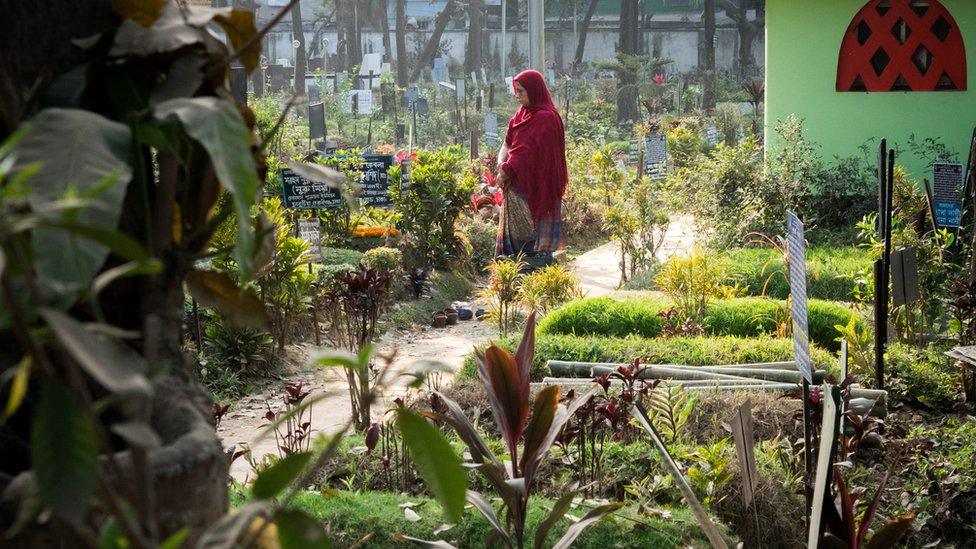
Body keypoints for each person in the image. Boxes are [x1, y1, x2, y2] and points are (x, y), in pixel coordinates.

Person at [495, 69, 568, 258]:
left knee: (536, 251)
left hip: (540, 187)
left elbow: (525, 153)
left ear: (534, 90)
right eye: (516, 91)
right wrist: (501, 162)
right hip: (517, 185)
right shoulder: (520, 115)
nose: (517, 96)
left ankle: (539, 275)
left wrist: (506, 170)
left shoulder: (547, 118)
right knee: (515, 249)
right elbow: (507, 143)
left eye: (521, 91)